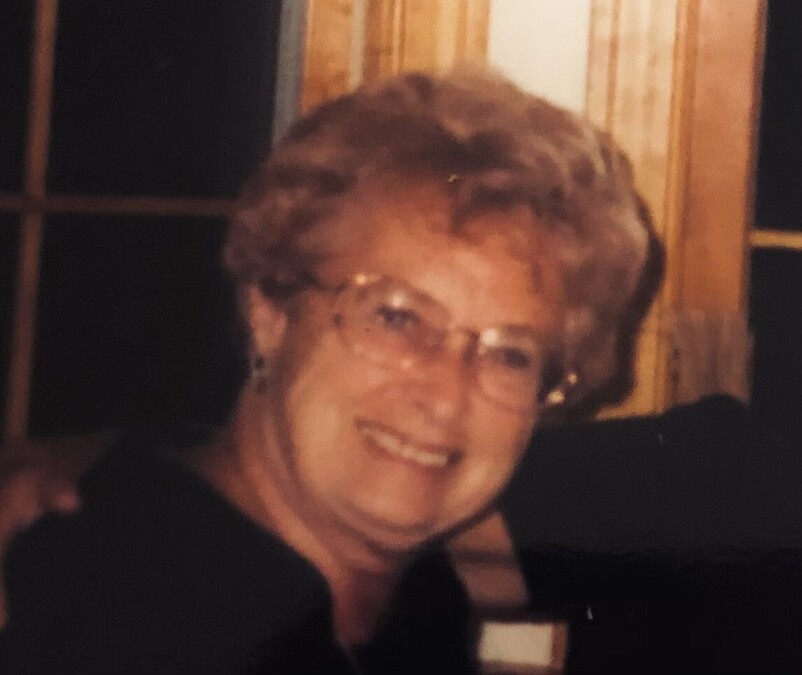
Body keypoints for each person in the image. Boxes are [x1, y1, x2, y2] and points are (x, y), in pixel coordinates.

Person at [0, 68, 658, 674]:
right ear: (270, 309)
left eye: (509, 354)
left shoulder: (417, 608)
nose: (446, 395)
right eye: (397, 317)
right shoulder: (99, 600)